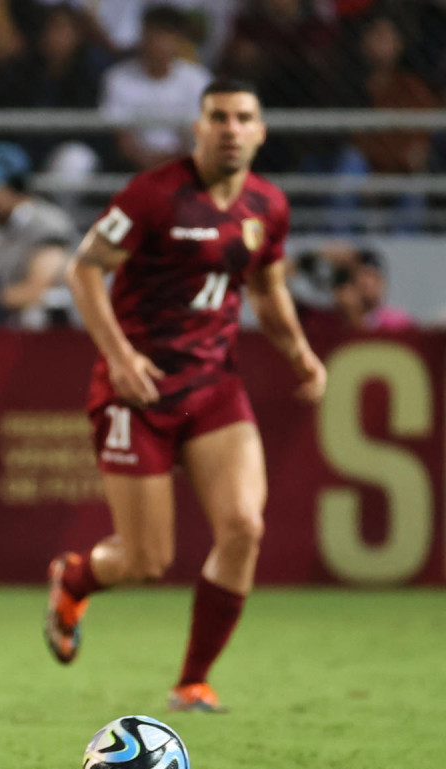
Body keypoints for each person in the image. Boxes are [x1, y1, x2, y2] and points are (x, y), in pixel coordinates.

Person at [45, 78, 327, 713]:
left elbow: (267, 289)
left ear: (260, 131)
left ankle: (192, 681)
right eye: (218, 117)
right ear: (198, 129)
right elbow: (84, 268)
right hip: (136, 392)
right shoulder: (154, 193)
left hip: (213, 388)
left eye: (243, 117)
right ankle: (76, 577)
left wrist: (299, 352)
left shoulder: (268, 206)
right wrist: (119, 355)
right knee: (146, 560)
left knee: (244, 527)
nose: (230, 127)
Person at [0, 141, 78, 328]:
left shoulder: (48, 224)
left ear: (14, 186)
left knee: (33, 316)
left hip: (47, 334)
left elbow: (35, 290)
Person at [99, 4, 212, 171]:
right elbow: (121, 137)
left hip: (185, 165)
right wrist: (149, 163)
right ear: (142, 36)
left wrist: (171, 162)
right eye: (154, 34)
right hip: (133, 166)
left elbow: (195, 135)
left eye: (166, 35)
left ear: (179, 40)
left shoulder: (197, 79)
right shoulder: (118, 78)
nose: (159, 43)